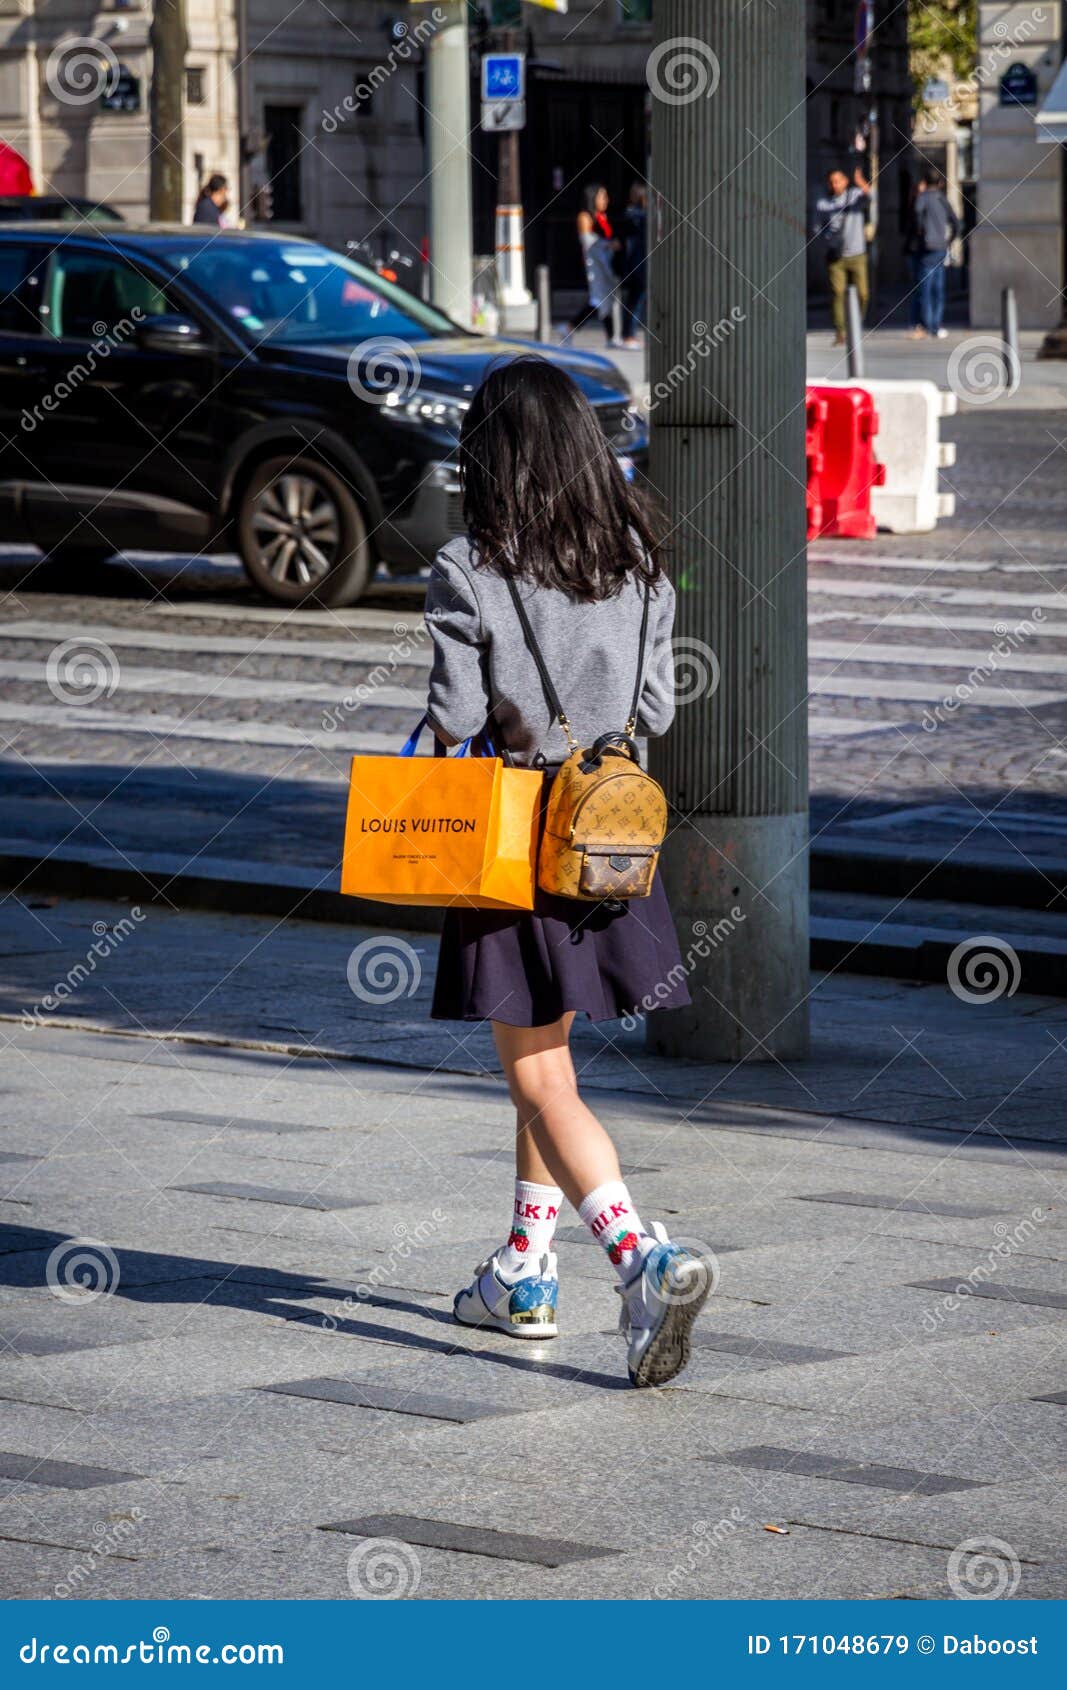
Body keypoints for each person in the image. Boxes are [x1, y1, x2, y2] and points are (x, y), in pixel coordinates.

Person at [423, 355, 714, 1388]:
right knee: (543, 1063)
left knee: (539, 1075)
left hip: (517, 840)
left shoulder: (470, 565)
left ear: (489, 455)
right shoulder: (637, 557)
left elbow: (456, 720)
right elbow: (659, 709)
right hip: (611, 834)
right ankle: (524, 1268)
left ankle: (642, 1259)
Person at [814, 165, 871, 346]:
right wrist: (827, 239)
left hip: (857, 254)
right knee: (837, 293)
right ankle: (840, 331)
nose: (835, 184)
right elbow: (816, 228)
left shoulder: (854, 196)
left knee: (863, 293)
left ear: (845, 181)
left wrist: (861, 182)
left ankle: (854, 324)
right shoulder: (823, 204)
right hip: (836, 257)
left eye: (838, 181)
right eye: (832, 182)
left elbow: (869, 198)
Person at [906, 169, 959, 340]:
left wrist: (921, 231)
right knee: (938, 288)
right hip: (940, 247)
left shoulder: (922, 198)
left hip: (926, 248)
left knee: (925, 289)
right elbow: (956, 222)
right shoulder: (942, 199)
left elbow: (916, 213)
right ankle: (936, 325)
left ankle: (928, 326)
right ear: (940, 183)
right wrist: (950, 239)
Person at [565, 185, 621, 346]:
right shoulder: (584, 217)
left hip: (605, 262)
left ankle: (611, 337)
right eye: (602, 196)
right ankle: (571, 327)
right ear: (592, 198)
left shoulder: (601, 217)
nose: (605, 200)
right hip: (593, 264)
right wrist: (608, 244)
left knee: (606, 299)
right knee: (598, 299)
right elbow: (587, 240)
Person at [620, 181, 647, 342]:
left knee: (634, 300)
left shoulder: (637, 214)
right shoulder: (635, 214)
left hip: (636, 263)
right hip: (637, 264)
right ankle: (629, 334)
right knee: (635, 300)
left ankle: (628, 333)